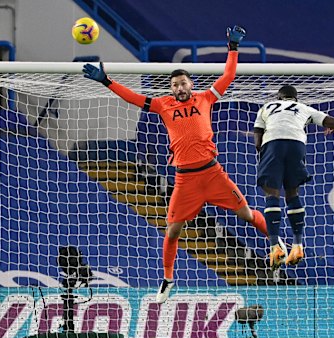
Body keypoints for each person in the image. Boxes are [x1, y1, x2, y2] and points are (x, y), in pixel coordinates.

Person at [83, 25, 286, 304]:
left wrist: (233, 47)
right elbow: (132, 98)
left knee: (248, 215)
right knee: (173, 230)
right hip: (185, 180)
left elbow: (228, 75)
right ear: (171, 88)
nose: (179, 88)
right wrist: (106, 81)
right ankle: (167, 280)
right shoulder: (162, 105)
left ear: (191, 85)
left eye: (183, 83)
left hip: (213, 173)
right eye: (174, 85)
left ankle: (277, 243)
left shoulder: (206, 98)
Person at [254, 85, 334, 269]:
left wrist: (265, 154)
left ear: (278, 97)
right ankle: (297, 245)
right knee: (293, 194)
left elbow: (257, 138)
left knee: (271, 195)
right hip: (296, 145)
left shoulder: (267, 107)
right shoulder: (304, 108)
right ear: (296, 98)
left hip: (272, 145)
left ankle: (274, 246)